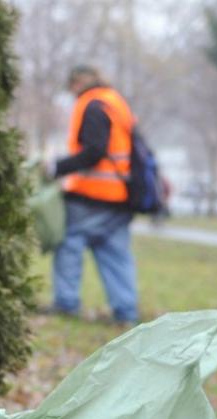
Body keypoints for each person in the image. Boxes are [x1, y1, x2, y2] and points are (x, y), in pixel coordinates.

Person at [49, 65, 140, 324]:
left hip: (92, 194)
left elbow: (94, 151)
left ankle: (66, 303)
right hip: (121, 194)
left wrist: (57, 167)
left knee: (69, 243)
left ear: (77, 82)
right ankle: (126, 311)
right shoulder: (116, 102)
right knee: (114, 253)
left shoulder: (93, 105)